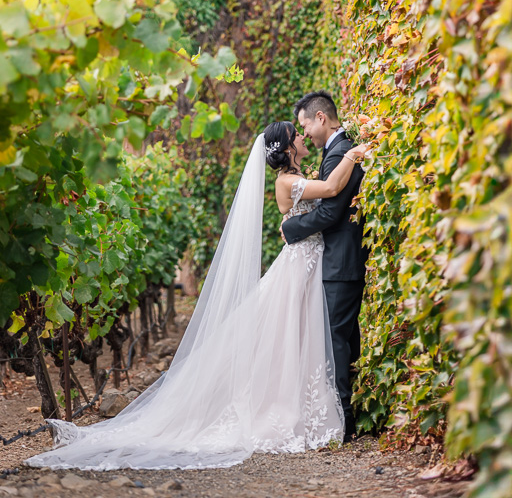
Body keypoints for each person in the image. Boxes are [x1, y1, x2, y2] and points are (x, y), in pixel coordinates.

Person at [26, 124, 366, 472]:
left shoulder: (295, 175)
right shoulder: (284, 182)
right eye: (297, 134)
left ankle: (305, 407)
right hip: (300, 266)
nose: (303, 138)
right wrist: (355, 154)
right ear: (287, 147)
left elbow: (324, 200)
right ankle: (290, 410)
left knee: (295, 338)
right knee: (286, 336)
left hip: (308, 263)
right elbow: (330, 189)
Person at [281, 91, 368, 441]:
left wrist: (291, 227)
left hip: (340, 261)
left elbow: (332, 211)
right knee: (345, 339)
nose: (305, 136)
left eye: (306, 126)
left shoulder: (339, 153)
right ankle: (349, 415)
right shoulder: (338, 151)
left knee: (336, 341)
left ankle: (344, 421)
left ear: (320, 119)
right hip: (337, 261)